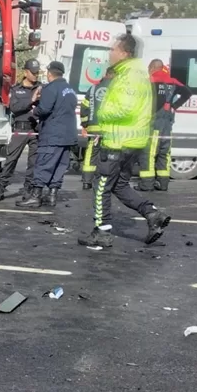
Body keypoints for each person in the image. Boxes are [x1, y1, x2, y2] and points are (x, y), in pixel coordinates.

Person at [78, 34, 170, 249]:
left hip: (118, 140)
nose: (110, 53)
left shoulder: (129, 75)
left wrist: (102, 113)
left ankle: (102, 231)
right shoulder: (137, 73)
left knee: (101, 186)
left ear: (124, 53)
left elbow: (124, 108)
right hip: (132, 140)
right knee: (119, 185)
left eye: (113, 49)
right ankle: (152, 214)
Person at [18, 61, 78, 209]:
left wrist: (34, 110)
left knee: (43, 164)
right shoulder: (70, 89)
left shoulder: (51, 88)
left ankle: (35, 196)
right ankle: (52, 196)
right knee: (59, 166)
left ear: (50, 73)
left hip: (53, 134)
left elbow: (44, 109)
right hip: (68, 135)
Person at [140, 59, 193, 192]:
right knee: (165, 152)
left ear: (152, 67)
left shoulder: (150, 80)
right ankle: (163, 183)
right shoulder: (172, 81)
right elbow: (187, 92)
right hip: (168, 122)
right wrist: (174, 106)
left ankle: (147, 184)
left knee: (149, 153)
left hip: (154, 122)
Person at [0, 58, 41, 201]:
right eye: (33, 73)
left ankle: (28, 190)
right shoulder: (16, 89)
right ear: (26, 72)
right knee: (11, 160)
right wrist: (31, 100)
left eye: (37, 73)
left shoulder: (42, 88)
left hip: (36, 130)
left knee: (33, 163)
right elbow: (14, 108)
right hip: (20, 129)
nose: (35, 75)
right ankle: (0, 189)